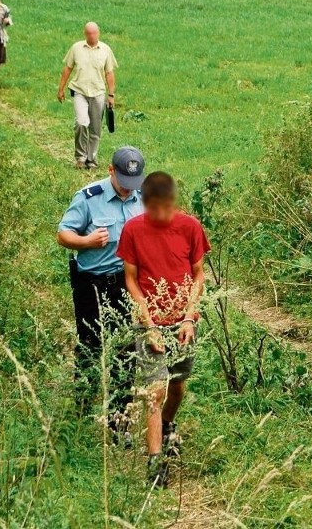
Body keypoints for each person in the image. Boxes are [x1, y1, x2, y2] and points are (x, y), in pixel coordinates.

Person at [117, 172, 210, 488]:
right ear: (145, 204)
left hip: (182, 320)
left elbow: (198, 274)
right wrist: (149, 325)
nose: (160, 215)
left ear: (174, 202)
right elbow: (131, 279)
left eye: (166, 207)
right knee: (156, 389)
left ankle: (168, 424)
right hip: (149, 321)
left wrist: (187, 317)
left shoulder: (189, 227)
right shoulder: (133, 230)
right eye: (154, 208)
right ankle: (156, 462)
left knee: (177, 387)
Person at [57, 146, 146, 440]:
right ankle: (81, 410)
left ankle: (119, 422)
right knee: (90, 347)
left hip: (125, 284)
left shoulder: (143, 198)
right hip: (91, 283)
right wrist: (87, 241)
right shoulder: (88, 198)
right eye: (123, 182)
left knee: (126, 351)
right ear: (110, 171)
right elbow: (63, 234)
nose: (127, 189)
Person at [57, 22, 117, 169]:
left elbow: (109, 73)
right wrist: (61, 89)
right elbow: (68, 68)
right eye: (89, 33)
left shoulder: (105, 50)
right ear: (85, 34)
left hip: (98, 92)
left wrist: (111, 95)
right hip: (79, 91)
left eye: (94, 33)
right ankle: (80, 157)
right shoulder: (76, 48)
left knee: (95, 129)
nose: (92, 36)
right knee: (82, 122)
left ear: (99, 33)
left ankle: (92, 159)